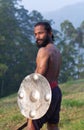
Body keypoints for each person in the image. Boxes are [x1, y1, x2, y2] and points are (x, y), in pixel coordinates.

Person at [27, 22, 62, 130]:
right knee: (52, 125)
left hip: (44, 93)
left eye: (40, 33)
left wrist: (29, 102)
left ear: (50, 33)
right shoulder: (56, 51)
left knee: (32, 126)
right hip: (56, 92)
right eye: (35, 34)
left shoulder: (44, 51)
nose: (37, 37)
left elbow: (38, 76)